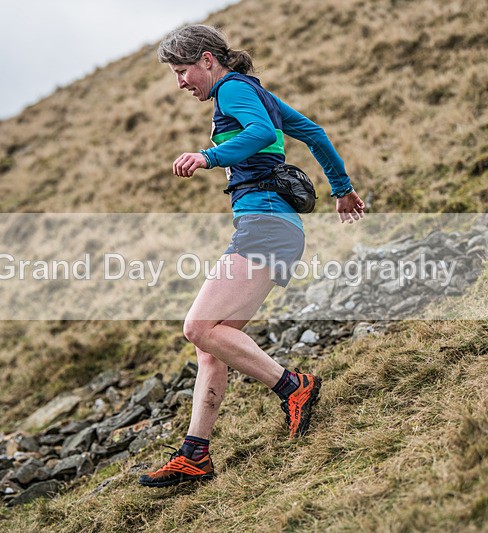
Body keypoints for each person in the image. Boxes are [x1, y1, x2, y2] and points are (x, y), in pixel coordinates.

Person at [138, 24, 365, 488]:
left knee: (197, 327)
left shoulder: (232, 91)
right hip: (272, 226)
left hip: (266, 224)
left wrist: (209, 155)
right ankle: (194, 456)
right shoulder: (255, 92)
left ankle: (293, 387)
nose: (180, 82)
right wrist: (341, 190)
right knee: (210, 346)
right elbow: (315, 133)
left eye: (182, 71)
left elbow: (261, 134)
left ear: (207, 60)